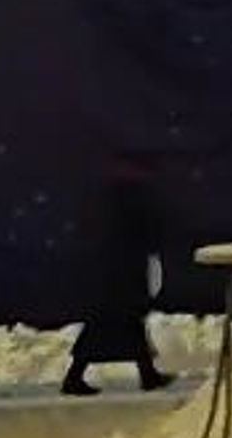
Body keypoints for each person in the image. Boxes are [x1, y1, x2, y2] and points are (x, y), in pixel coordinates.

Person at [63, 153, 174, 395]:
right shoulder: (132, 199)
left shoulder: (110, 201)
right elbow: (145, 234)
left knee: (110, 323)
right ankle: (146, 374)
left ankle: (144, 374)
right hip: (124, 271)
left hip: (114, 271)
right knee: (124, 321)